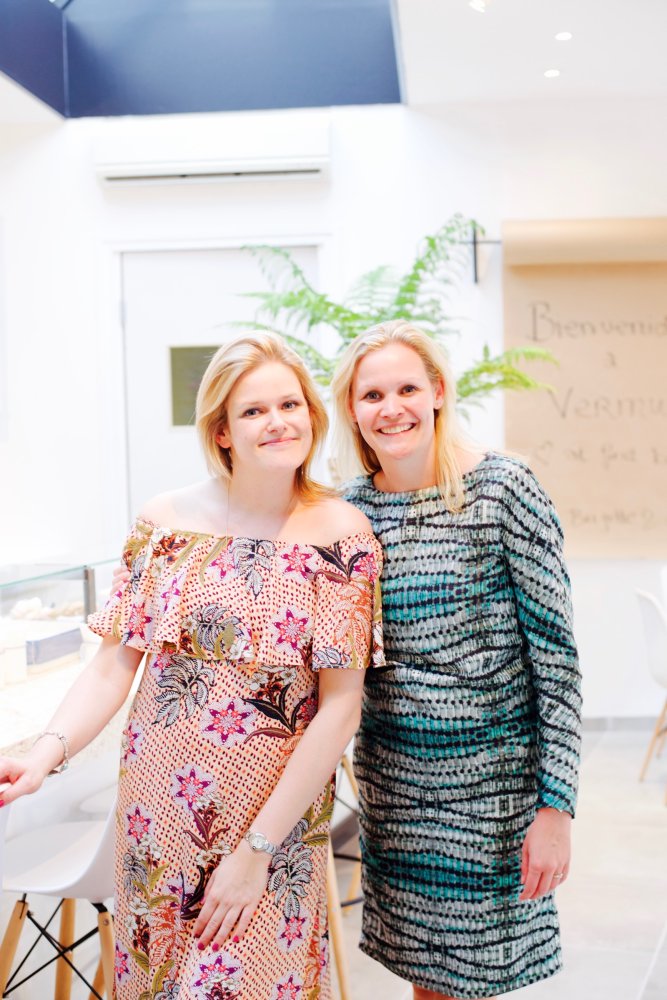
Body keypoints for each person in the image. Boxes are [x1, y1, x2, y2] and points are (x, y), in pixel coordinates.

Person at [0, 333, 384, 1000]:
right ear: (222, 431)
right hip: (157, 816)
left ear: (311, 414)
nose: (277, 422)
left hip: (270, 823)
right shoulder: (165, 523)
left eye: (289, 404)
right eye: (253, 410)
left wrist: (257, 851)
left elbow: (340, 708)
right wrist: (44, 755)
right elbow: (113, 666)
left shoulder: (340, 535)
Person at [330, 320, 582, 1000]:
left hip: (489, 797)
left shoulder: (503, 489)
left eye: (407, 389)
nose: (391, 408)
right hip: (394, 791)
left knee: (472, 979)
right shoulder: (348, 511)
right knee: (427, 979)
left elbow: (557, 665)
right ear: (352, 408)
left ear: (438, 391)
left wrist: (555, 809)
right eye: (372, 395)